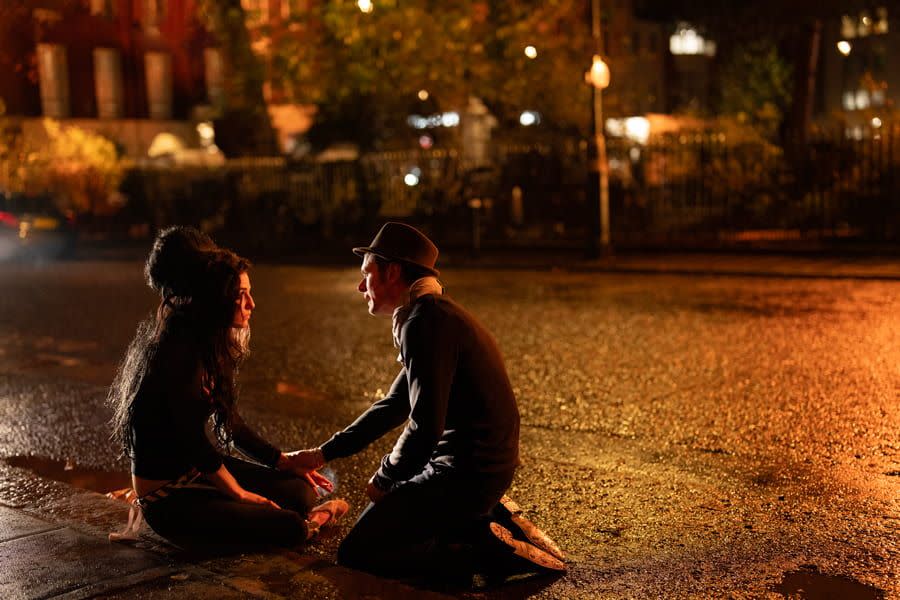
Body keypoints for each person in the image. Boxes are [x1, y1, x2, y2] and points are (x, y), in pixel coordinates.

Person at [285, 222, 564, 578]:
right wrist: (322, 454)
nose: (360, 286)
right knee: (391, 528)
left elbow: (425, 425)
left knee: (358, 553)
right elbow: (394, 405)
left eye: (366, 273)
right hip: (478, 469)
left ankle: (483, 547)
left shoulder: (425, 322)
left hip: (465, 474)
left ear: (393, 271)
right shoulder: (431, 315)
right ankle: (480, 516)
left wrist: (385, 479)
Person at [108, 226, 347, 548]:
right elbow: (193, 441)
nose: (251, 304)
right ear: (215, 301)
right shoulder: (176, 353)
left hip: (196, 472)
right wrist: (238, 493)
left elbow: (230, 421)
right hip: (170, 497)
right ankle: (313, 521)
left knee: (299, 491)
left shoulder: (208, 342)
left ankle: (287, 511)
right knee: (289, 525)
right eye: (240, 296)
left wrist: (283, 460)